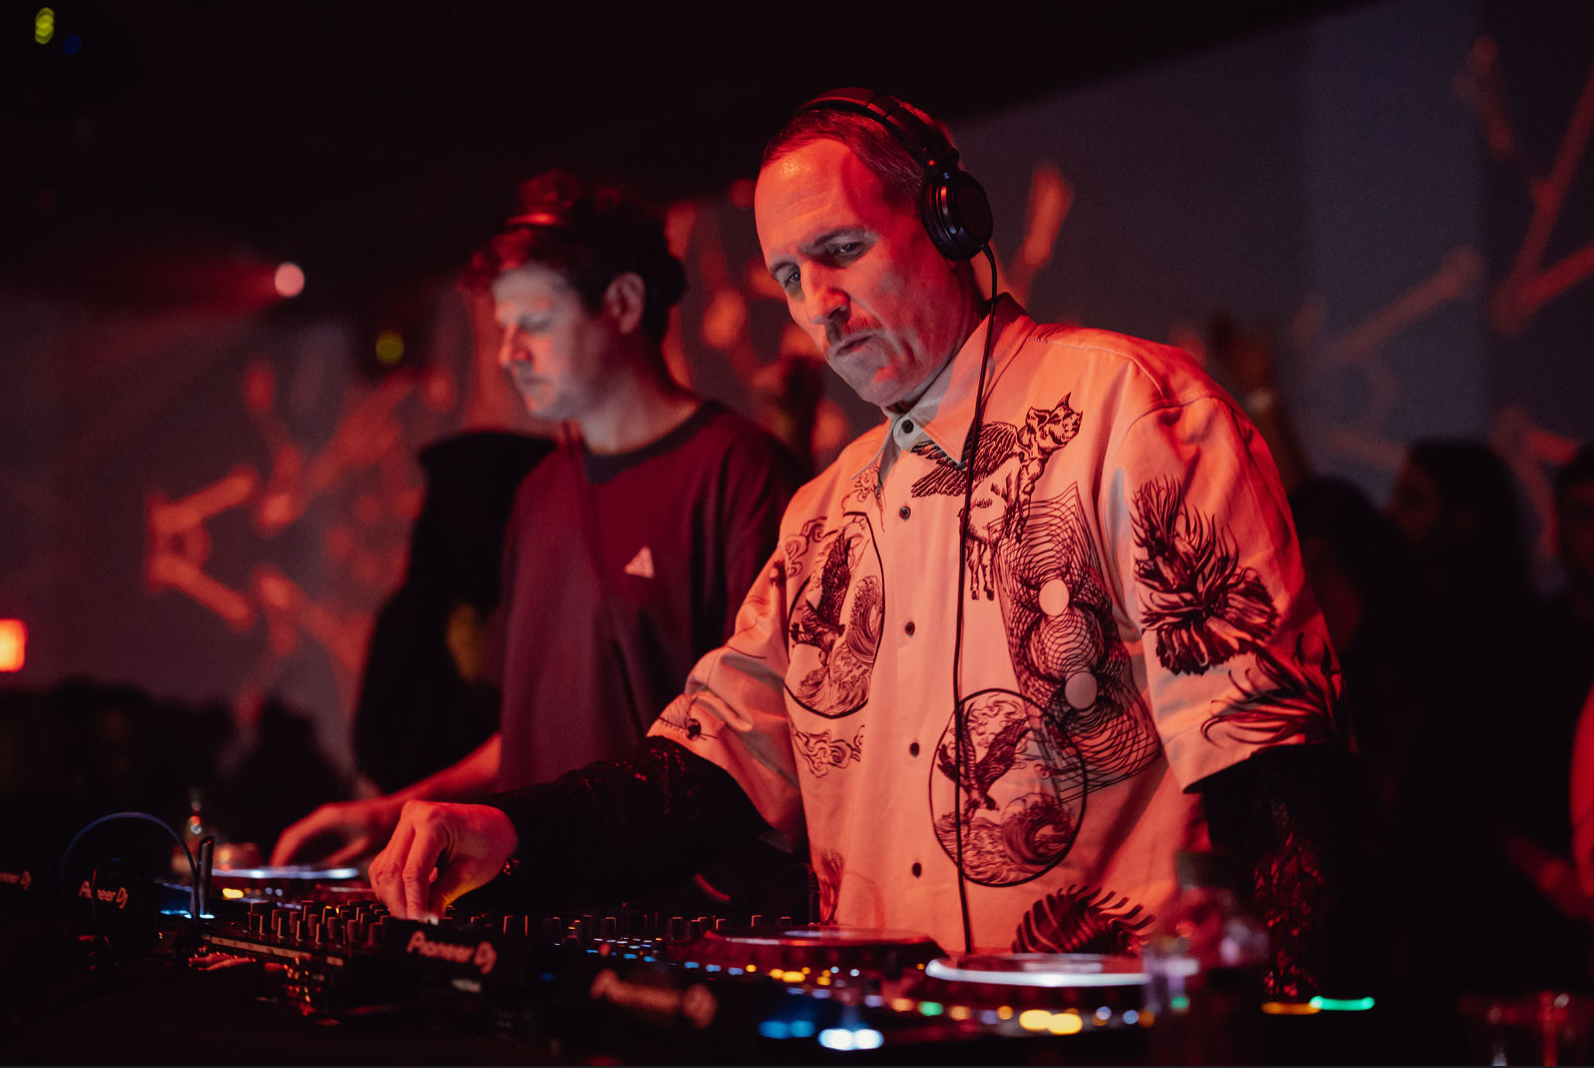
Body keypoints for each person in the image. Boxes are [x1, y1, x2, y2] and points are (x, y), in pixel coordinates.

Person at [364, 91, 1350, 998]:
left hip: (1108, 1037)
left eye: (841, 251)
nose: (817, 305)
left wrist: (1273, 1026)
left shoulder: (1132, 412)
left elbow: (1270, 755)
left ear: (948, 221)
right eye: (791, 276)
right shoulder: (824, 514)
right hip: (888, 1031)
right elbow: (716, 765)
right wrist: (513, 829)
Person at [270, 171, 805, 878]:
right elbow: (525, 738)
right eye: (503, 329)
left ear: (622, 303)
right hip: (540, 911)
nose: (508, 353)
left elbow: (763, 732)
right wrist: (392, 812)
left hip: (677, 919)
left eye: (537, 324)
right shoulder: (539, 493)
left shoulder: (738, 471)